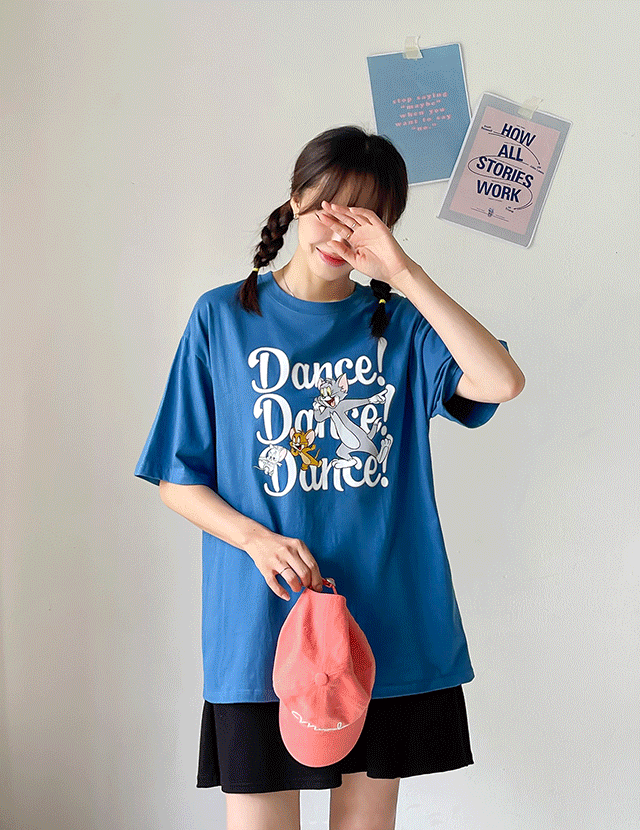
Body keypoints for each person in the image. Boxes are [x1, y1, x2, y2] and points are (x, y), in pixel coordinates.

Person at [134, 125, 525, 829]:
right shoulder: (222, 317)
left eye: (363, 217)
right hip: (260, 627)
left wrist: (403, 273)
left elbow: (501, 381)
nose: (337, 230)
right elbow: (177, 476)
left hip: (384, 625)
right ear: (294, 200)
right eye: (324, 207)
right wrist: (255, 539)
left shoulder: (401, 326)